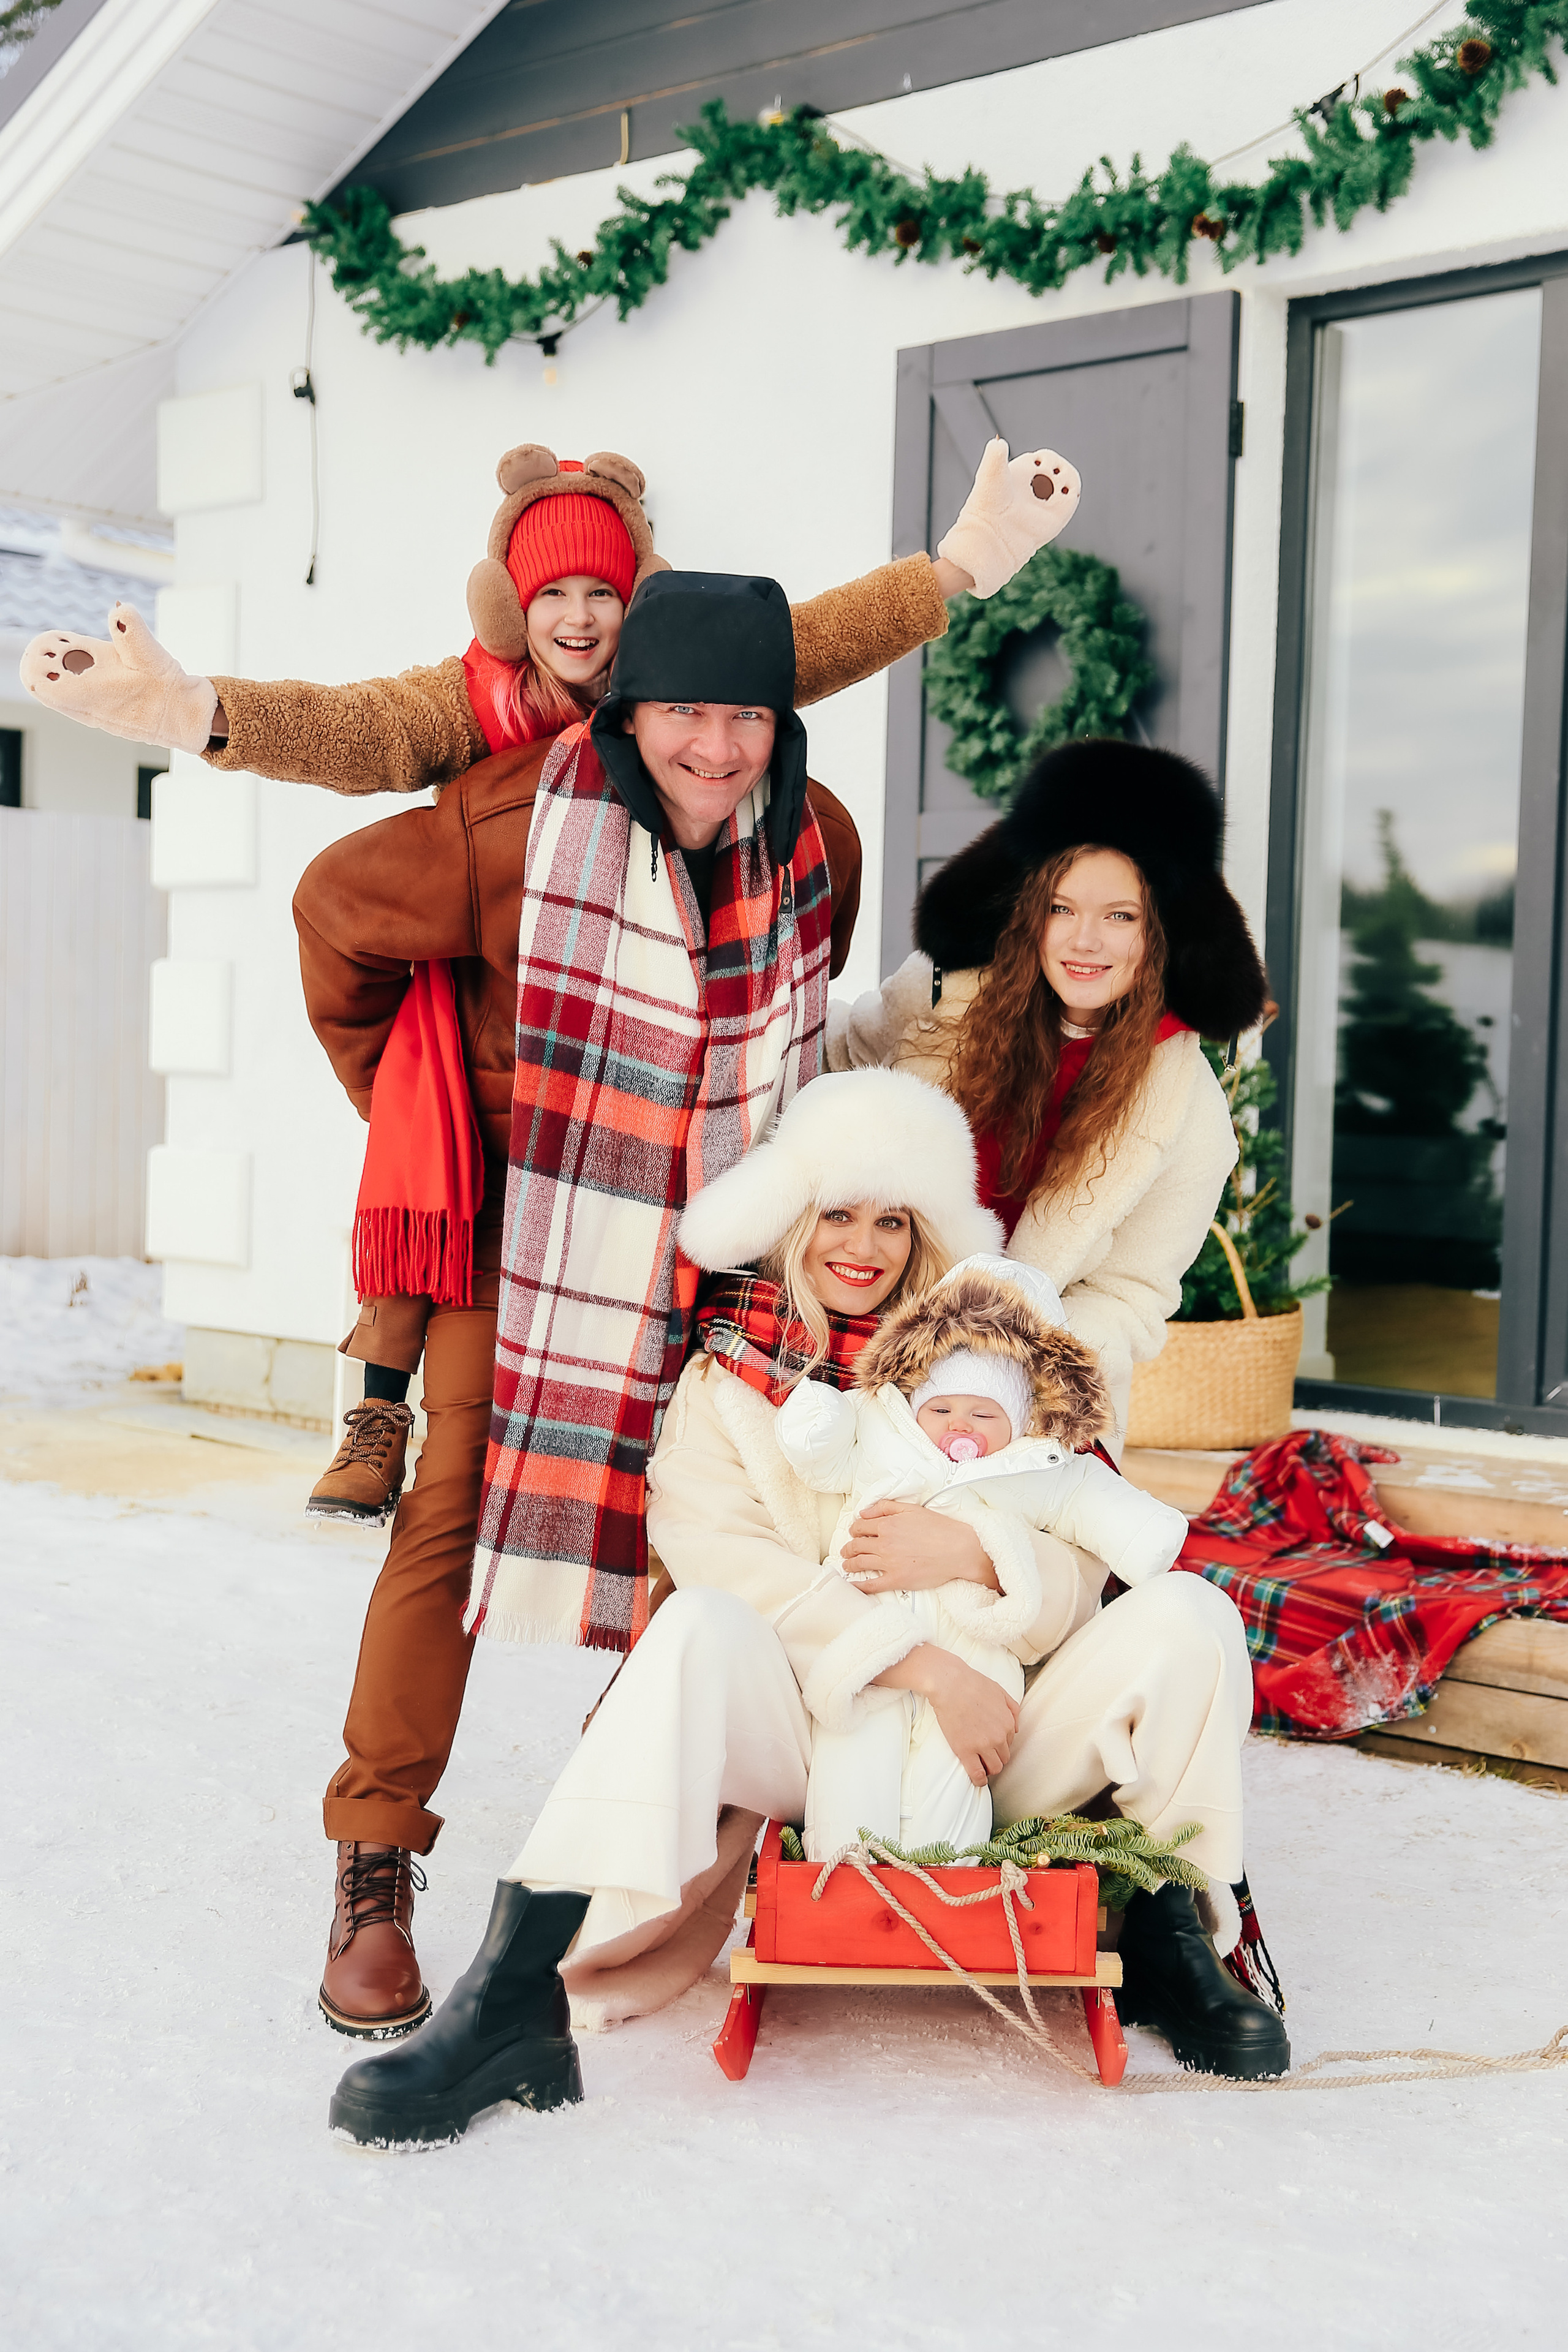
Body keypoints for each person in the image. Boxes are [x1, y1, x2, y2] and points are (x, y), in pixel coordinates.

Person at [23, 434, 1084, 2040]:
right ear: (610, 688)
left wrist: (961, 562)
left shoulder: (824, 844)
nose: (716, 744)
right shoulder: (504, 823)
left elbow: (786, 1023)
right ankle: (374, 1866)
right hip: (537, 1235)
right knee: (449, 1525)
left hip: (726, 1240)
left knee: (718, 1541)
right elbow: (331, 901)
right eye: (681, 710)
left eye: (745, 715)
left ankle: (648, 1839)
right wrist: (433, 1109)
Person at [325, 1069, 1282, 2152]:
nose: (862, 1245)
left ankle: (1175, 1940)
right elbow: (726, 1561)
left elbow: (1084, 1568)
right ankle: (513, 2002)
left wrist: (979, 1547)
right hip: (818, 1739)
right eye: (837, 1211)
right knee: (697, 1626)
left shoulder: (988, 1372)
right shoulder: (729, 1379)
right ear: (794, 1215)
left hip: (998, 1738)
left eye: (893, 1218)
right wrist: (923, 1667)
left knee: (1192, 1615)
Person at [772, 1250, 1188, 1860]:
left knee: (956, 1770)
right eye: (940, 1409)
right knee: (853, 1755)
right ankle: (841, 1885)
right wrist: (815, 1423)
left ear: (1018, 1419)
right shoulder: (886, 1428)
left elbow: (1091, 1499)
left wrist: (1148, 1536)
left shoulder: (1036, 1464)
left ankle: (949, 1886)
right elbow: (826, 1458)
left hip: (975, 1653)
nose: (955, 1425)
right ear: (917, 1400)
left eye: (981, 1414)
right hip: (872, 1637)